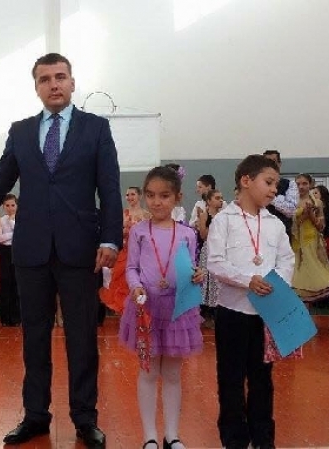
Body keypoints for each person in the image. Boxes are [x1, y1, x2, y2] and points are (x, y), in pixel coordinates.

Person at [0, 52, 123, 448]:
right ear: (36, 87)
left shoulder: (96, 128)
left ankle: (85, 418)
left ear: (72, 83)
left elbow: (109, 187)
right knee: (34, 338)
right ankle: (35, 416)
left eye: (60, 77)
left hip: (82, 249)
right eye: (45, 79)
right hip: (31, 250)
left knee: (82, 338)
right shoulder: (21, 131)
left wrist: (110, 238)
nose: (53, 84)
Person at [206, 155, 295, 449]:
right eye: (268, 182)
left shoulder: (275, 224)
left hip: (266, 312)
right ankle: (234, 439)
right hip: (233, 312)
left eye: (276, 184)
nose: (274, 190)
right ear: (246, 181)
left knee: (262, 378)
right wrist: (248, 280)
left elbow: (287, 259)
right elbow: (215, 262)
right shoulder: (224, 220)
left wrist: (277, 284)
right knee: (230, 378)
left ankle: (263, 438)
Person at [118, 166, 204, 449]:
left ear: (177, 197)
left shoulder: (188, 233)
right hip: (147, 310)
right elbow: (131, 268)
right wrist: (136, 287)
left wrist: (197, 275)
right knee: (148, 372)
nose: (157, 202)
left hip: (178, 311)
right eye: (151, 195)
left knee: (172, 375)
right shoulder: (139, 231)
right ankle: (150, 436)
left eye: (164, 196)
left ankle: (172, 434)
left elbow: (190, 267)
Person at [290, 174, 329, 301]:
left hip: (311, 241)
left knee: (311, 272)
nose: (301, 187)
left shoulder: (317, 202)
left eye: (304, 183)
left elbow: (321, 227)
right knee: (297, 273)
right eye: (298, 184)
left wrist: (311, 215)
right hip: (296, 241)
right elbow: (292, 225)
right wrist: (304, 215)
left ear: (310, 184)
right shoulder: (292, 202)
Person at [99, 186, 151, 313]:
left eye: (132, 194)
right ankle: (127, 312)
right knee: (122, 282)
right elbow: (115, 233)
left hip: (142, 255)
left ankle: (140, 312)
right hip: (125, 253)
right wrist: (124, 232)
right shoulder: (123, 214)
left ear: (139, 196)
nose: (129, 197)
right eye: (127, 195)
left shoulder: (147, 215)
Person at [196, 189, 224, 328]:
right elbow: (203, 235)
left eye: (221, 198)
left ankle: (216, 313)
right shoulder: (205, 215)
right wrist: (215, 224)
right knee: (207, 280)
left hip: (221, 250)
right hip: (209, 250)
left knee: (217, 281)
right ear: (209, 201)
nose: (221, 200)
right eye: (217, 198)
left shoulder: (224, 215)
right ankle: (205, 313)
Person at [0, 193, 21, 326]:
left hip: (17, 252)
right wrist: (13, 233)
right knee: (5, 283)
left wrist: (12, 222)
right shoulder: (1, 220)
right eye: (7, 205)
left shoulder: (21, 220)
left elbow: (20, 235)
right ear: (3, 206)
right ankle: (5, 318)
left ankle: (17, 318)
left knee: (17, 284)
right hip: (4, 253)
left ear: (17, 206)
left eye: (13, 205)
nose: (10, 208)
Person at [262, 150, 298, 237]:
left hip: (283, 233)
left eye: (273, 161)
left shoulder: (290, 184)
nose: (271, 164)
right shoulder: (256, 184)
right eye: (267, 162)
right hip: (261, 232)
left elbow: (291, 211)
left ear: (279, 164)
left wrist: (272, 198)